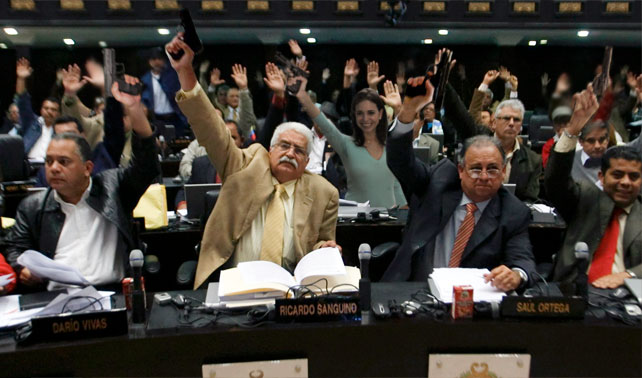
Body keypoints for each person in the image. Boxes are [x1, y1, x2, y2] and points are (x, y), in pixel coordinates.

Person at [166, 35, 340, 290]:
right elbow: (210, 128)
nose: (290, 153)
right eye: (284, 145)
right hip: (235, 282)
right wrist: (185, 71)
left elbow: (320, 248)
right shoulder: (244, 165)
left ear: (306, 161)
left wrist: (325, 249)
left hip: (292, 290)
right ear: (270, 150)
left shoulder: (324, 193)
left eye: (299, 151)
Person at [4, 76, 160, 291]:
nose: (54, 168)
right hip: (56, 297)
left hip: (111, 291)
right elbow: (15, 248)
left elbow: (147, 164)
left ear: (88, 168)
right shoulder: (33, 206)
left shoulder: (113, 188)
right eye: (49, 161)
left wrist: (133, 107)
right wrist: (21, 268)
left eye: (64, 162)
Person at [381, 75, 535, 292]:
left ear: (503, 173)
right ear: (460, 170)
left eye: (492, 169)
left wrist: (517, 274)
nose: (483, 176)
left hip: (469, 303)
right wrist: (406, 115)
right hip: (414, 288)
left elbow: (523, 259)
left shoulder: (513, 212)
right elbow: (400, 161)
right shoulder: (437, 182)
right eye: (475, 169)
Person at [545, 84, 642, 289]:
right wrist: (572, 130)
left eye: (633, 176)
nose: (625, 182)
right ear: (602, 176)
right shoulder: (585, 197)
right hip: (575, 293)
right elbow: (555, 181)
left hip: (629, 297)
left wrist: (628, 275)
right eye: (617, 175)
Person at [296, 64, 406, 208]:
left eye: (371, 113)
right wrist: (301, 94)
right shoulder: (346, 144)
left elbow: (403, 134)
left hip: (390, 220)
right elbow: (322, 121)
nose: (365, 118)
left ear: (380, 114)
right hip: (354, 222)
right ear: (354, 116)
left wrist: (398, 109)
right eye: (360, 113)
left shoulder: (391, 144)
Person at [491, 99, 542, 202]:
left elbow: (530, 200)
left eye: (516, 120)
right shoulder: (478, 151)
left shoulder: (533, 160)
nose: (511, 123)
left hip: (513, 214)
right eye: (506, 118)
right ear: (494, 123)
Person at [15, 58, 60, 161]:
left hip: (49, 167)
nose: (49, 111)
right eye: (46, 108)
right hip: (29, 166)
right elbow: (22, 100)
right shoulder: (32, 122)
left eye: (53, 109)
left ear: (58, 113)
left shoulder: (60, 129)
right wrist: (21, 79)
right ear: (41, 110)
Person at [141, 47, 188, 137]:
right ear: (150, 61)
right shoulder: (145, 80)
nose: (157, 62)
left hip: (174, 118)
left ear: (164, 61)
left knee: (178, 144)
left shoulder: (172, 76)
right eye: (154, 59)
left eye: (160, 59)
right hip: (156, 120)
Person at [572, 120, 609, 187]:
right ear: (580, 141)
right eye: (591, 141)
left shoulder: (616, 159)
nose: (597, 146)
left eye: (601, 140)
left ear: (607, 140)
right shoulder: (570, 161)